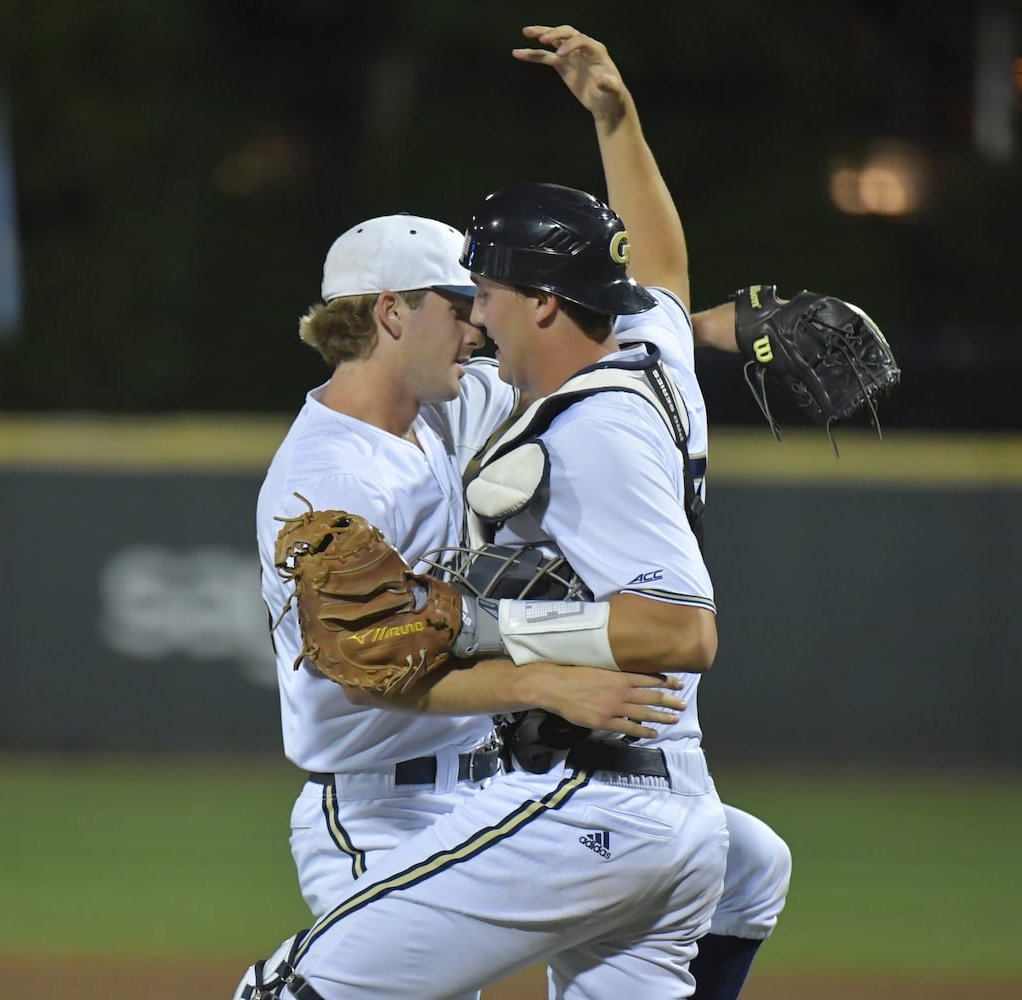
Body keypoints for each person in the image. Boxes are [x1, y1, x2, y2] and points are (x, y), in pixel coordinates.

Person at [238, 24, 791, 1000]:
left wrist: (617, 125)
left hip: (497, 777)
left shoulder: (465, 399)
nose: (480, 315)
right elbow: (367, 667)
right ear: (391, 313)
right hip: (377, 803)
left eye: (483, 294)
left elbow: (635, 304)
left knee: (744, 864)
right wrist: (542, 681)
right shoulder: (324, 480)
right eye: (461, 298)